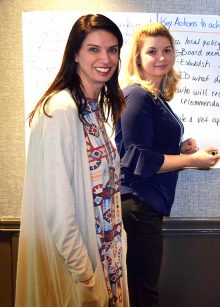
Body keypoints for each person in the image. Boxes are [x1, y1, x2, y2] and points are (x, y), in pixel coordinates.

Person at [16, 14, 129, 306]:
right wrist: (86, 277)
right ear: (75, 54)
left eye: (112, 49)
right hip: (83, 270)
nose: (105, 58)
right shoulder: (61, 110)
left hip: (108, 261)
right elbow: (58, 209)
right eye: (94, 49)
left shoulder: (93, 111)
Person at [115, 22, 220, 306]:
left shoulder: (155, 97)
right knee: (142, 292)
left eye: (167, 50)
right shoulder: (137, 95)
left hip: (146, 205)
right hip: (137, 205)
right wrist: (191, 160)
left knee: (142, 288)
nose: (161, 57)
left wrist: (179, 149)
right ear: (138, 57)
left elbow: (145, 148)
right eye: (152, 51)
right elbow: (137, 158)